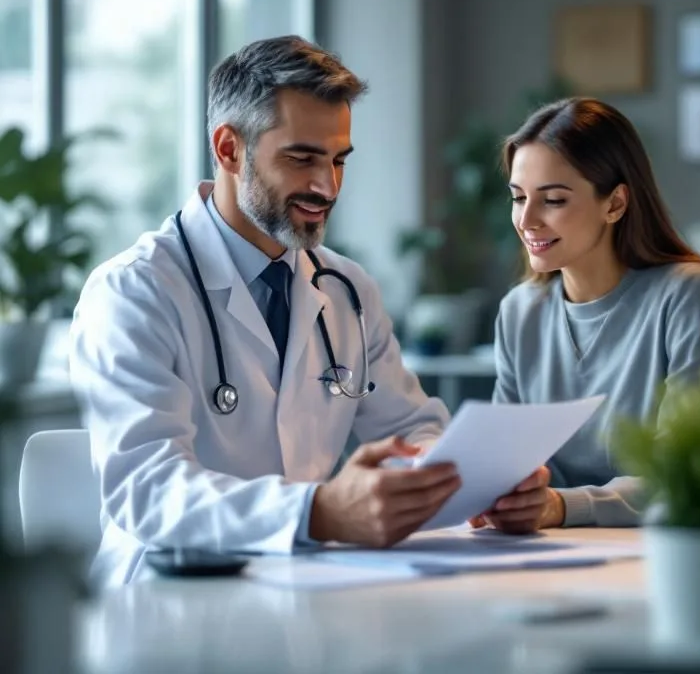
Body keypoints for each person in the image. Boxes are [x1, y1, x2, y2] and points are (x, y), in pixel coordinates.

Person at [70, 35, 549, 586]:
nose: (326, 186)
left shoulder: (346, 288)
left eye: (339, 160)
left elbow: (411, 427)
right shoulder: (134, 292)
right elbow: (148, 491)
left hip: (304, 584)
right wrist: (319, 511)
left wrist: (474, 478)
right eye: (301, 158)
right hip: (165, 596)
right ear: (229, 149)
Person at [478, 97, 700, 532]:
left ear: (615, 204)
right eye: (518, 198)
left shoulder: (689, 295)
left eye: (552, 200)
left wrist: (561, 506)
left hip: (686, 547)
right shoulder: (519, 313)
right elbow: (504, 460)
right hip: (554, 553)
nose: (526, 220)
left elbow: (686, 477)